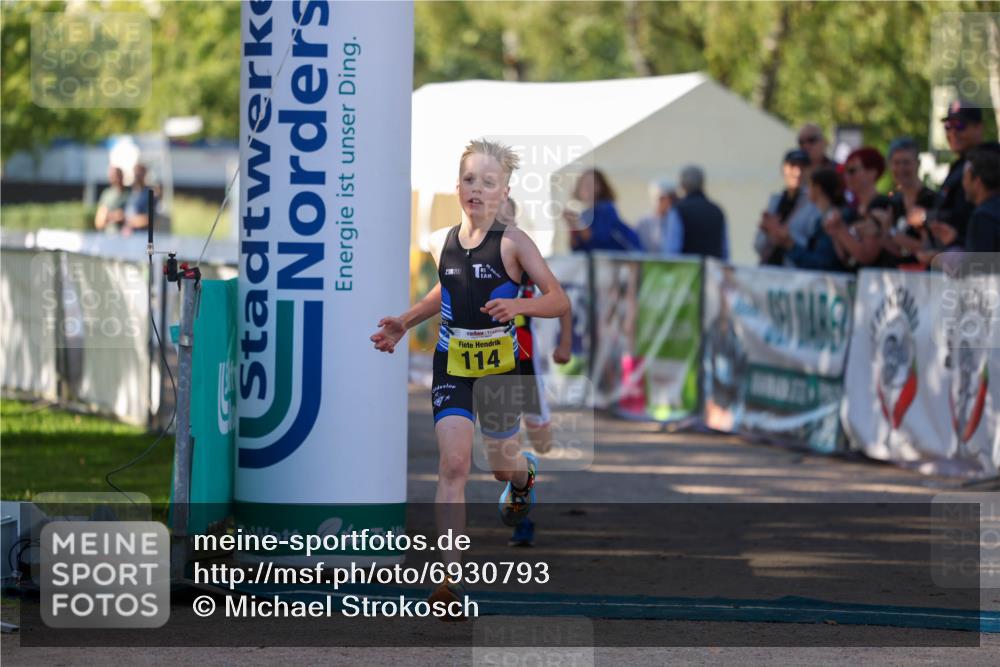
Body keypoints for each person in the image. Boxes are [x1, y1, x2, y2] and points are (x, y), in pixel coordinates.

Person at [370, 139, 569, 616]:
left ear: (504, 191)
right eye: (469, 180)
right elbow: (446, 288)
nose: (476, 189)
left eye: (488, 181)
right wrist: (406, 320)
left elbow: (558, 300)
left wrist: (521, 305)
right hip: (452, 362)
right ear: (456, 186)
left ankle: (524, 478)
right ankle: (450, 579)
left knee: (501, 466)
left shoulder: (515, 242)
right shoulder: (443, 240)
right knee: (454, 465)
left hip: (500, 368)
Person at [496, 197, 573, 547]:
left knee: (541, 442)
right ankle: (521, 515)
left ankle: (523, 477)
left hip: (525, 358)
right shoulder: (469, 255)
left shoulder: (524, 255)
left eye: (506, 215)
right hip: (489, 366)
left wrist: (564, 345)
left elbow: (561, 301)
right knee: (501, 447)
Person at [822, 147, 894, 270]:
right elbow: (846, 257)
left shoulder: (880, 205)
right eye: (844, 171)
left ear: (872, 172)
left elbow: (867, 256)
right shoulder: (853, 209)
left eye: (852, 171)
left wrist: (840, 230)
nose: (846, 176)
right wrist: (835, 234)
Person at [762, 167, 846, 272]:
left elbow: (822, 263)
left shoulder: (833, 218)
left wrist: (789, 243)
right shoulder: (822, 218)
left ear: (817, 188)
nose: (806, 191)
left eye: (809, 186)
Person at [927, 100, 985, 249]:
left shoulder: (988, 163)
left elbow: (968, 214)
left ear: (978, 128)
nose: (953, 132)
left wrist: (926, 217)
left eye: (960, 125)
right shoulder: (958, 165)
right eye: (948, 126)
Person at [754, 149, 818, 266]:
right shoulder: (775, 201)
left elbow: (813, 247)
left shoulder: (814, 203)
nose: (797, 172)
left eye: (803, 167)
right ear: (783, 169)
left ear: (810, 171)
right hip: (770, 269)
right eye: (793, 166)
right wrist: (770, 233)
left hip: (796, 273)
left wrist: (786, 238)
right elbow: (758, 245)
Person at [882, 137, 938, 268]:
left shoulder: (932, 200)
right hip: (898, 276)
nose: (901, 168)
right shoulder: (894, 202)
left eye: (906, 162)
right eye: (896, 163)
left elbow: (928, 248)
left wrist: (892, 233)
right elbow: (894, 249)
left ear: (918, 164)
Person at [564, 169, 642, 252]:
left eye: (590, 184)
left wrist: (577, 224)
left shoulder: (607, 209)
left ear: (600, 187)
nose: (586, 188)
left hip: (626, 256)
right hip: (599, 262)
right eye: (582, 184)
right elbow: (576, 249)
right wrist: (572, 226)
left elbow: (600, 240)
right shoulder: (584, 215)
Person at [662, 165, 729, 260]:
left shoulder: (678, 210)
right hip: (713, 272)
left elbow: (671, 251)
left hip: (686, 273)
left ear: (682, 185)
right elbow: (725, 252)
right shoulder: (717, 211)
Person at [963, 142, 1000, 253]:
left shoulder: (983, 217)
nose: (963, 183)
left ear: (977, 182)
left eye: (965, 177)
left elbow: (980, 266)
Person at [636, 179, 677, 253]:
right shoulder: (643, 222)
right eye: (654, 197)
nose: (658, 202)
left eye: (662, 198)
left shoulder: (676, 220)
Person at [94, 166, 128, 234]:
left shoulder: (129, 193)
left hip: (128, 235)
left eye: (117, 175)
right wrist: (114, 216)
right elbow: (99, 221)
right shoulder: (107, 194)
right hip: (110, 234)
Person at [124, 163, 154, 236]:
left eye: (139, 173)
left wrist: (130, 222)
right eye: (135, 173)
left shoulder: (148, 194)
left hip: (141, 236)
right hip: (128, 236)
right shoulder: (130, 193)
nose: (136, 176)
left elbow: (148, 219)